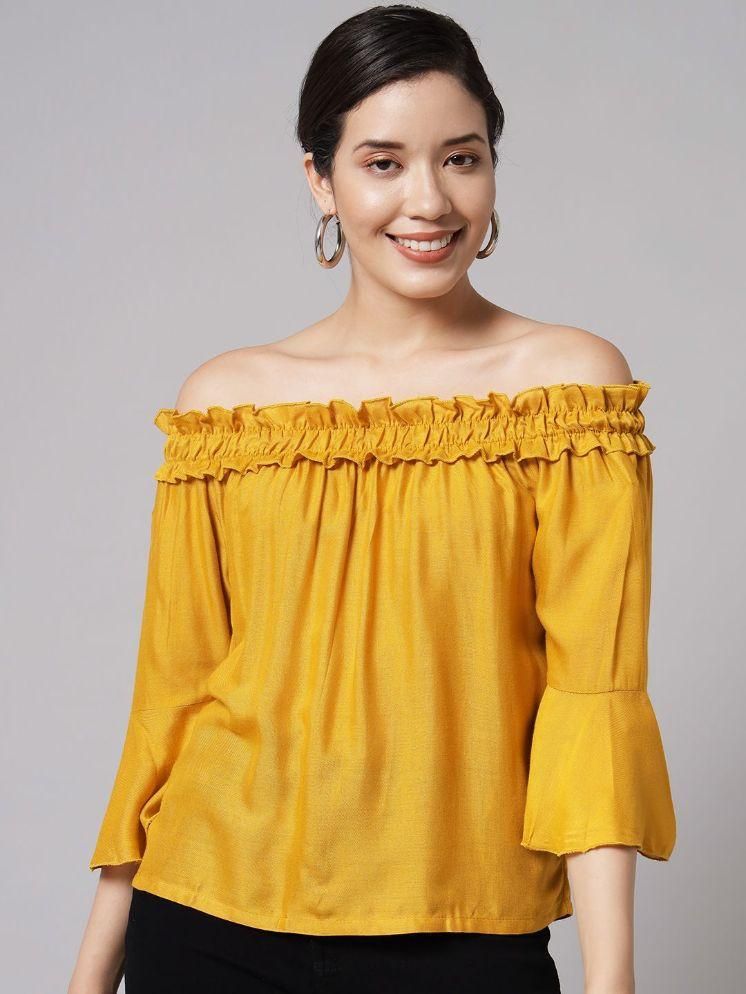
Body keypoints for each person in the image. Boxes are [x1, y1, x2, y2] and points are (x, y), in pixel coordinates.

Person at [69, 5, 676, 993]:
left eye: (461, 158)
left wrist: (613, 983)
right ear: (321, 178)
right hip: (205, 916)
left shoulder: (568, 391)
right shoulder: (227, 404)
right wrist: (93, 970)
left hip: (458, 929)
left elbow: (592, 705)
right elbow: (170, 701)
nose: (428, 200)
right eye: (382, 162)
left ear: (492, 169)